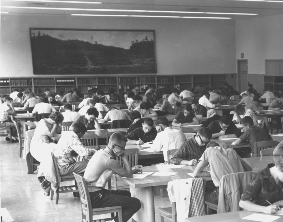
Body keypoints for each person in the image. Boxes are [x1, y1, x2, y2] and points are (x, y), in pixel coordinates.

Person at [84, 133, 141, 222]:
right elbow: (129, 175)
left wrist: (132, 169)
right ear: (114, 146)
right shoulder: (109, 160)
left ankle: (117, 219)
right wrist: (123, 156)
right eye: (122, 147)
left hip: (90, 194)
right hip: (95, 197)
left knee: (127, 194)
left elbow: (121, 172)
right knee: (135, 203)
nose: (124, 150)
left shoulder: (101, 153)